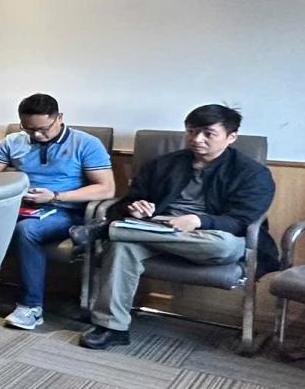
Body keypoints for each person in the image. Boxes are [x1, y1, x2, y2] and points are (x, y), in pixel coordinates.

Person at [80, 104, 275, 351]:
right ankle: (112, 328)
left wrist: (198, 221)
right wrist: (136, 209)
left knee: (223, 245)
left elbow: (242, 220)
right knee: (122, 247)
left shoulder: (253, 173)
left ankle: (108, 229)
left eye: (208, 133)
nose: (197, 139)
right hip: (157, 229)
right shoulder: (165, 164)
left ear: (231, 137)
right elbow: (133, 198)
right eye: (192, 132)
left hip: (212, 237)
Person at [0, 93, 115, 330]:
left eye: (43, 129)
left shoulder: (86, 144)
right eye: (29, 129)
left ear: (59, 118)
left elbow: (106, 188)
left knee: (27, 230)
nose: (37, 135)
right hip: (20, 205)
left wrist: (54, 196)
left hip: (64, 210)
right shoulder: (13, 141)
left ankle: (31, 307)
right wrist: (14, 188)